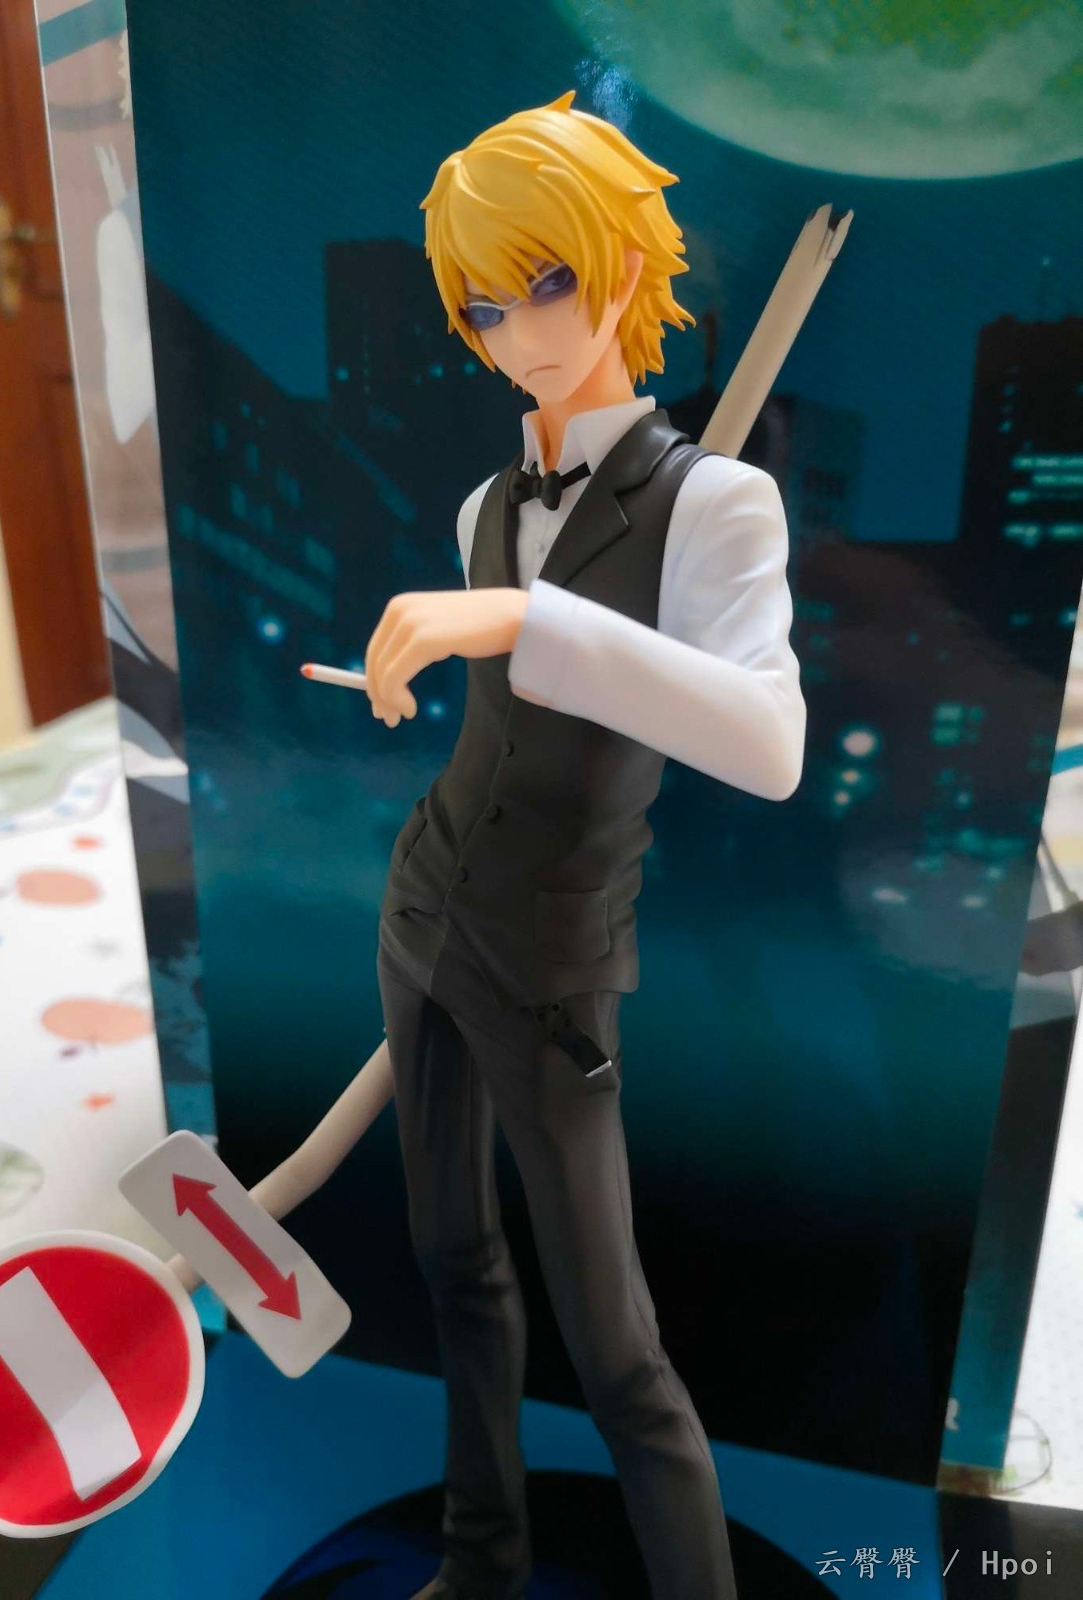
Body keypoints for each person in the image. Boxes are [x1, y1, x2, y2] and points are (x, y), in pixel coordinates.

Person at [364, 91, 806, 1600]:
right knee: (454, 1267)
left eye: (544, 282)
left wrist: (527, 620)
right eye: (483, 306)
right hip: (422, 910)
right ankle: (479, 1562)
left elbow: (769, 742)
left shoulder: (718, 502)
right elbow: (501, 735)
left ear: (621, 265)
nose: (519, 333)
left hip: (552, 961)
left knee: (618, 1350)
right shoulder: (485, 503)